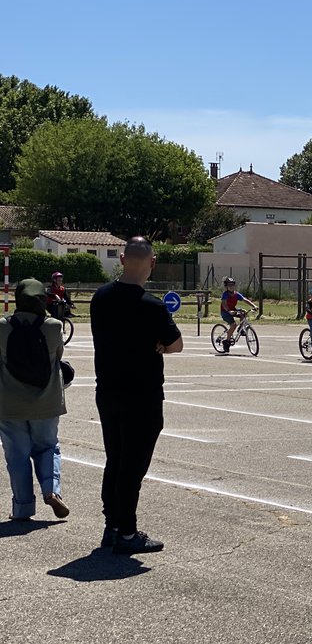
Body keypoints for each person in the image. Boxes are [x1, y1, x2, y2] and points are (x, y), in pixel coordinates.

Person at [91, 237, 183, 554]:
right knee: (133, 467)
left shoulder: (99, 298)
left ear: (121, 258)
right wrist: (158, 343)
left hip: (108, 391)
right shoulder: (152, 305)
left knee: (115, 460)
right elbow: (176, 344)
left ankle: (112, 525)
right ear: (152, 262)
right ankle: (127, 533)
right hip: (142, 396)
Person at [0, 279, 69, 521]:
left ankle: (22, 507)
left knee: (16, 456)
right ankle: (51, 490)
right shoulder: (53, 326)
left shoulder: (2, 327)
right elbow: (58, 358)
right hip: (47, 401)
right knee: (48, 447)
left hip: (9, 403)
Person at [218, 277, 259, 352]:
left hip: (233, 310)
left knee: (244, 313)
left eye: (232, 285)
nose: (231, 287)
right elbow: (224, 304)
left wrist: (254, 306)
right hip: (225, 312)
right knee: (233, 325)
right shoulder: (225, 294)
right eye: (229, 285)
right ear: (226, 286)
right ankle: (226, 342)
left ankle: (241, 329)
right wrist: (229, 311)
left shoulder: (236, 294)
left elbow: (245, 300)